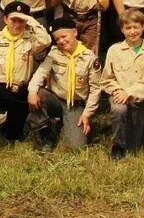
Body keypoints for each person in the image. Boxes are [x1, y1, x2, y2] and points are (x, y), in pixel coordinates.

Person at [0, 2, 51, 153]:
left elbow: (46, 40)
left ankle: (9, 127)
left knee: (13, 137)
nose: (17, 24)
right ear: (5, 20)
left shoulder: (31, 40)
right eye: (13, 20)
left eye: (21, 20)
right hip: (3, 87)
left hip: (22, 91)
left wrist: (31, 21)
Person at [90, 6, 144, 159]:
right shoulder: (114, 50)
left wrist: (130, 92)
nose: (132, 31)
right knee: (119, 110)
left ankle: (130, 138)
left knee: (134, 146)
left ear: (143, 27)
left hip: (140, 98)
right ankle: (117, 145)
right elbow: (106, 79)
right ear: (122, 30)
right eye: (128, 28)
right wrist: (119, 91)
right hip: (119, 96)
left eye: (136, 27)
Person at [29, 16, 96, 152]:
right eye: (57, 39)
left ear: (75, 33)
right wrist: (31, 91)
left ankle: (60, 125)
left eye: (64, 36)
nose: (61, 41)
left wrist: (87, 114)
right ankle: (46, 134)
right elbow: (40, 74)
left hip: (75, 105)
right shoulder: (54, 54)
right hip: (56, 100)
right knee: (37, 93)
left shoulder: (89, 58)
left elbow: (96, 90)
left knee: (76, 147)